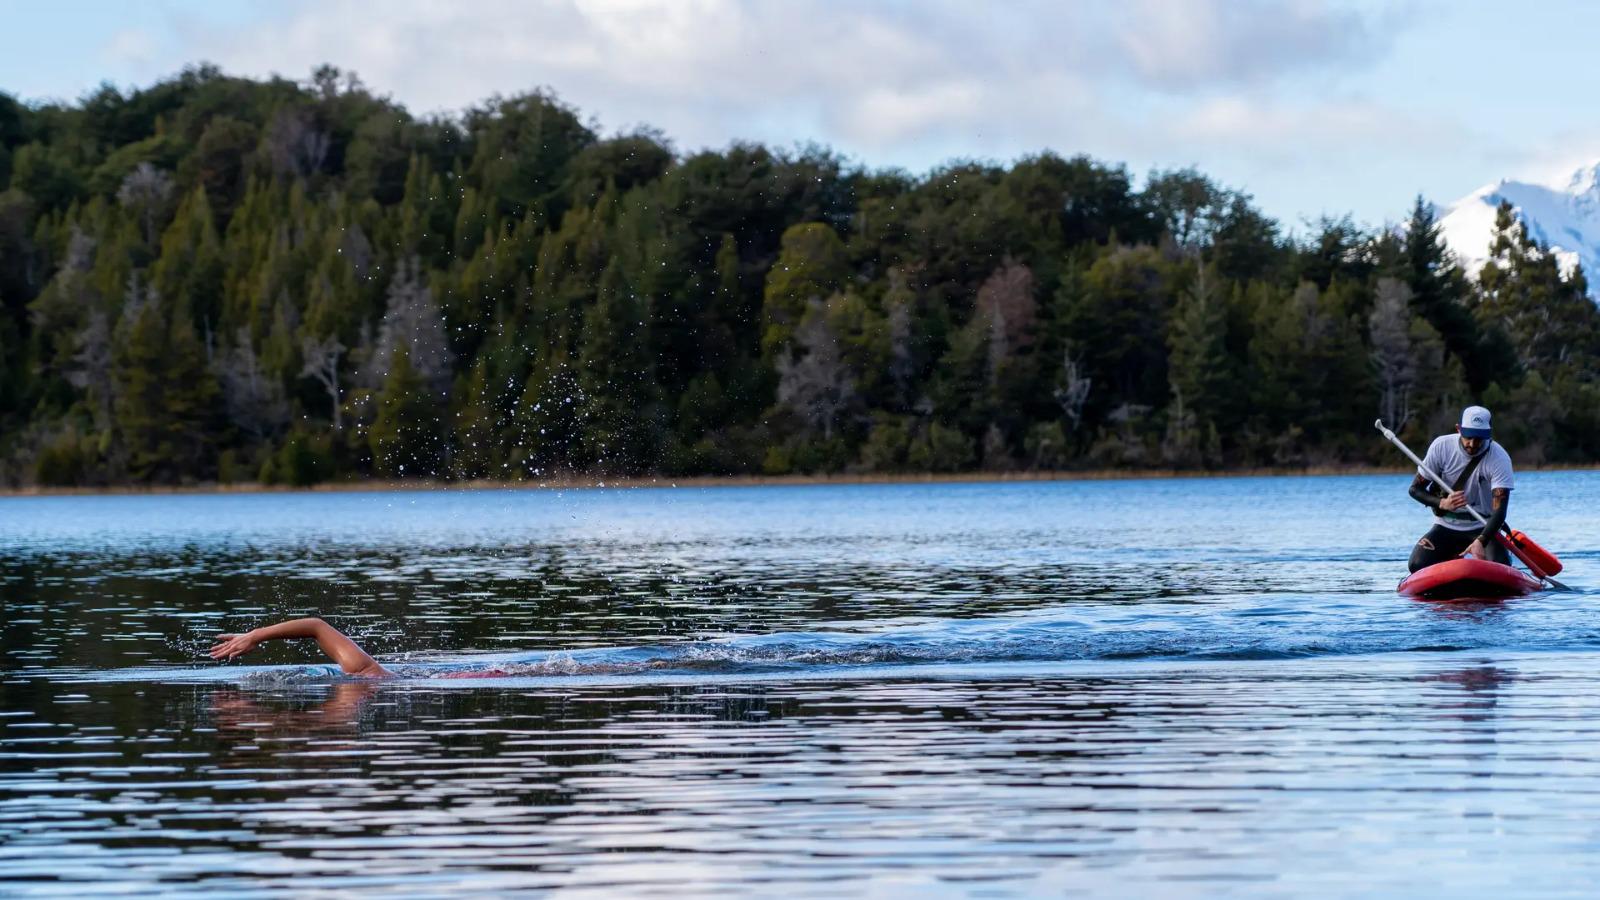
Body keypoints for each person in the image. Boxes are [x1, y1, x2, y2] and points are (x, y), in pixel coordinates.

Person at [1406, 405, 1514, 573]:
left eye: (1479, 438)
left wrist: (1481, 541)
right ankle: (1452, 557)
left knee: (1501, 566)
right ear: (1458, 429)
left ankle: (1496, 554)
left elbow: (1499, 512)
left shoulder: (1499, 458)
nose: (1473, 444)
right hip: (1446, 526)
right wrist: (1442, 503)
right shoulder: (1441, 447)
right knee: (1416, 565)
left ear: (1489, 433)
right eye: (1468, 437)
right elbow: (1415, 490)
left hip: (1483, 526)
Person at [210, 618, 392, 677]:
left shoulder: (366, 671)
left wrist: (255, 636)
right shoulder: (367, 672)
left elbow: (317, 626)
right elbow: (316, 627)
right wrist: (255, 636)